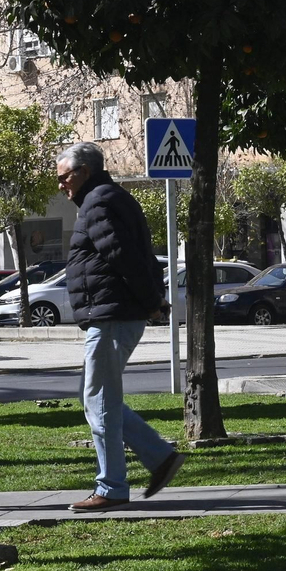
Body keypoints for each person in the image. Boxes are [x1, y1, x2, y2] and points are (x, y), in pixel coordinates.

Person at [57, 142, 184, 512]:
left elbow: (123, 257)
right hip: (112, 313)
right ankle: (159, 456)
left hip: (111, 316)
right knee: (97, 398)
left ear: (84, 172)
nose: (61, 186)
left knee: (98, 402)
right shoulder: (109, 198)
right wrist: (153, 299)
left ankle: (112, 486)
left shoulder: (98, 202)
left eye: (65, 178)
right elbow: (138, 255)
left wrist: (151, 301)